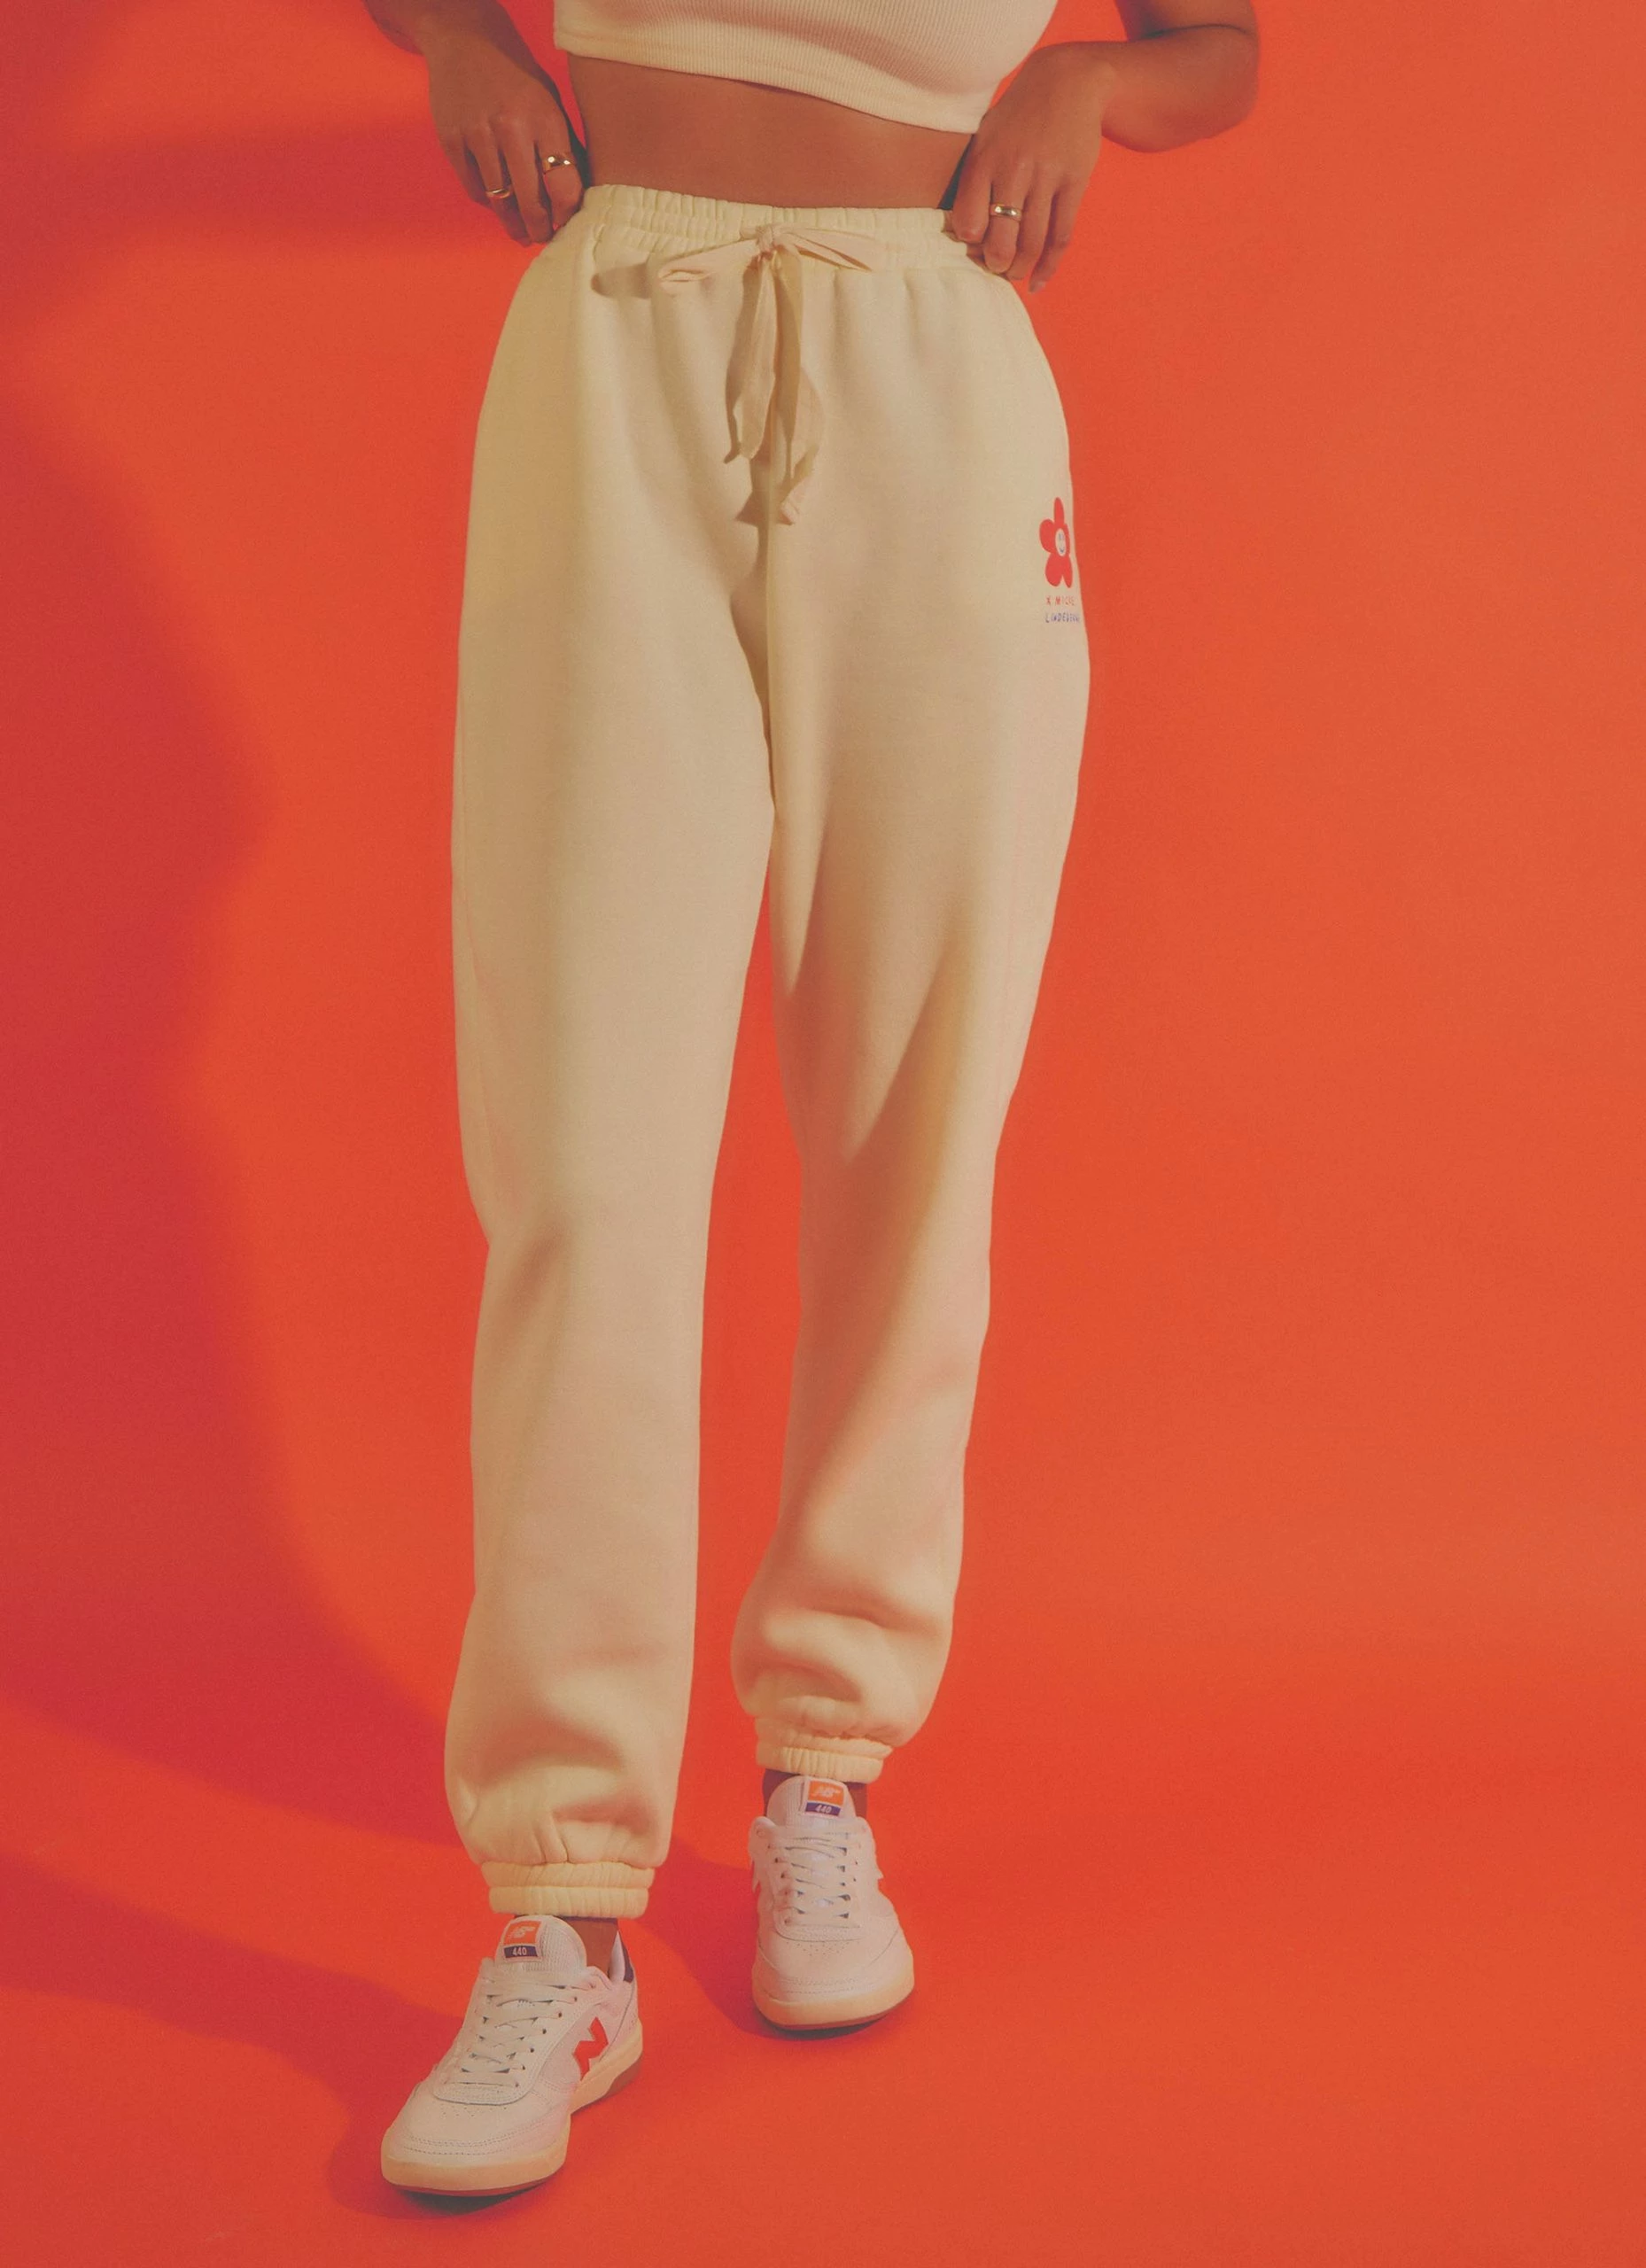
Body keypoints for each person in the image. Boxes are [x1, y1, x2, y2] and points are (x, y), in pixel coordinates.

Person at [362, 0, 1259, 2199]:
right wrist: (448, 38)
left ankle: (821, 1770)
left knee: (909, 1120)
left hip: (932, 371)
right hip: (615, 347)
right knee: (581, 1154)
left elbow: (1219, 46)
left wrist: (1086, 80)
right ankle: (565, 1906)